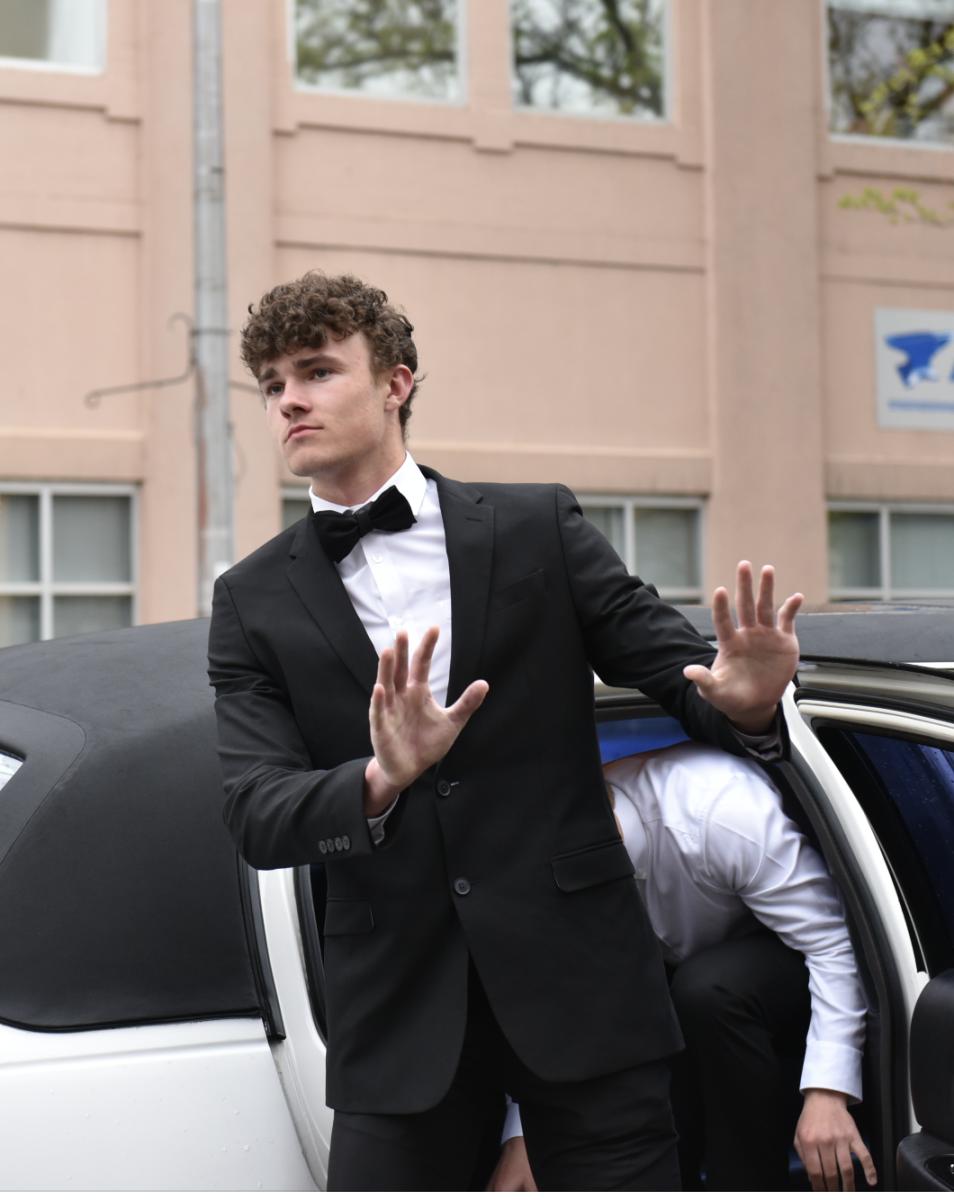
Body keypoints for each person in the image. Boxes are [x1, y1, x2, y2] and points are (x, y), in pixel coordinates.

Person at [207, 270, 804, 1190]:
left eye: (317, 372)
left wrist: (747, 696)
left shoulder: (537, 525)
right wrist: (379, 778)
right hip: (399, 1019)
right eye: (273, 384)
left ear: (396, 382)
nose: (288, 400)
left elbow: (685, 679)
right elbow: (256, 812)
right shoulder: (248, 600)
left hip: (585, 991)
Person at [490, 742, 876, 1192]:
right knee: (650, 1022)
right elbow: (552, 998)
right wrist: (523, 1136)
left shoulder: (721, 812)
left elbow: (833, 943)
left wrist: (827, 1092)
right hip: (666, 984)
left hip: (779, 964)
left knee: (708, 990)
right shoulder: (537, 870)